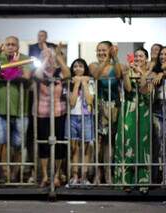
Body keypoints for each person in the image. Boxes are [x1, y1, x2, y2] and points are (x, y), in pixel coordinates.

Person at [0, 35, 32, 183]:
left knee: (18, 145)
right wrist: (14, 71)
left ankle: (15, 174)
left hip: (21, 110)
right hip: (0, 110)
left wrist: (5, 74)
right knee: (0, 142)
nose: (11, 46)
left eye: (13, 44)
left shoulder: (25, 58)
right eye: (8, 44)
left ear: (18, 47)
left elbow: (26, 78)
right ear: (3, 46)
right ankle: (3, 173)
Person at [114, 47, 152, 194]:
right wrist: (125, 74)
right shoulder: (128, 71)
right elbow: (128, 89)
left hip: (144, 111)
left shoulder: (149, 72)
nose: (138, 58)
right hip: (129, 110)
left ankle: (143, 181)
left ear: (146, 59)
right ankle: (125, 181)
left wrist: (141, 73)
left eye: (141, 56)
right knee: (126, 143)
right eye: (136, 56)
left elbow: (144, 89)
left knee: (142, 144)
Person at [34, 44, 70, 187]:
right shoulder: (41, 73)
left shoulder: (60, 72)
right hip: (43, 112)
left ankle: (56, 175)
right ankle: (45, 175)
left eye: (49, 56)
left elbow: (68, 74)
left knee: (59, 143)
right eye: (44, 56)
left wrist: (58, 58)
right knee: (44, 144)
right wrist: (45, 59)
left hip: (59, 112)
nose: (48, 58)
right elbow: (37, 75)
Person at [89, 41, 122, 184]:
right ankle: (98, 173)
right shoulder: (93, 65)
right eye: (99, 50)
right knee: (99, 142)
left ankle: (108, 174)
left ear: (110, 50)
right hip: (100, 107)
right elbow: (96, 75)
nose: (101, 53)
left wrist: (115, 58)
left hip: (114, 107)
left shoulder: (115, 66)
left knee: (110, 143)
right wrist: (105, 59)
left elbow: (120, 74)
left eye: (104, 50)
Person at [65, 58, 94, 186]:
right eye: (75, 66)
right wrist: (76, 84)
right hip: (72, 117)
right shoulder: (69, 82)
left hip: (86, 117)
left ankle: (84, 177)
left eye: (81, 66)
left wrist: (85, 84)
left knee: (86, 148)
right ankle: (75, 176)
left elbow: (89, 101)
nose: (78, 69)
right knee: (74, 148)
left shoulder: (90, 81)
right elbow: (71, 102)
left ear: (85, 69)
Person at [151, 46, 166, 184]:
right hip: (158, 109)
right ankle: (160, 176)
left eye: (165, 54)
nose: (162, 56)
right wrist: (159, 73)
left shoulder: (161, 73)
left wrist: (163, 73)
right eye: (161, 54)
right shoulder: (155, 70)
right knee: (159, 143)